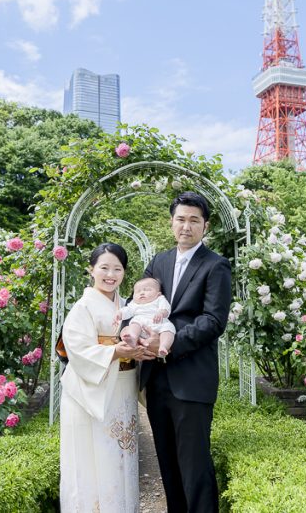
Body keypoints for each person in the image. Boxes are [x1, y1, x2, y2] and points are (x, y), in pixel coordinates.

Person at [140, 191, 233, 513]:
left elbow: (213, 320)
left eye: (194, 220)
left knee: (194, 464)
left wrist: (169, 343)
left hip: (192, 379)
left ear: (205, 226)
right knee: (166, 461)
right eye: (180, 219)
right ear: (171, 223)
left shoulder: (216, 265)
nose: (186, 226)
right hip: (156, 377)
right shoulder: (158, 263)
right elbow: (142, 305)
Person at [60, 242, 153, 513]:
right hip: (90, 392)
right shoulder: (83, 308)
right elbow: (77, 349)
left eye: (117, 268)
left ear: (125, 272)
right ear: (92, 270)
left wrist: (140, 351)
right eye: (104, 268)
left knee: (121, 456)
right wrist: (115, 351)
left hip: (122, 387)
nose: (110, 274)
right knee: (91, 460)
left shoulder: (128, 307)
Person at [116, 277, 176, 358]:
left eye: (147, 290)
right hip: (141, 323)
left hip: (159, 323)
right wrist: (120, 314)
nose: (142, 293)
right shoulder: (134, 303)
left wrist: (161, 312)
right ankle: (133, 338)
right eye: (137, 291)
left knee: (169, 329)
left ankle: (163, 346)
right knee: (134, 324)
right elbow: (127, 310)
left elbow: (166, 308)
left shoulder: (160, 299)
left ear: (158, 294)